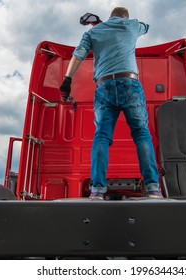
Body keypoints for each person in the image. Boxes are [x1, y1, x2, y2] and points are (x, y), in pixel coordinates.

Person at [60, 7, 163, 200]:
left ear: (109, 17)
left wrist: (67, 80)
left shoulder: (93, 32)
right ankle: (153, 188)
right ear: (125, 16)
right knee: (141, 134)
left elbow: (79, 54)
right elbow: (146, 28)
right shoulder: (132, 25)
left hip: (104, 86)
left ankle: (97, 191)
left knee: (102, 137)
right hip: (129, 83)